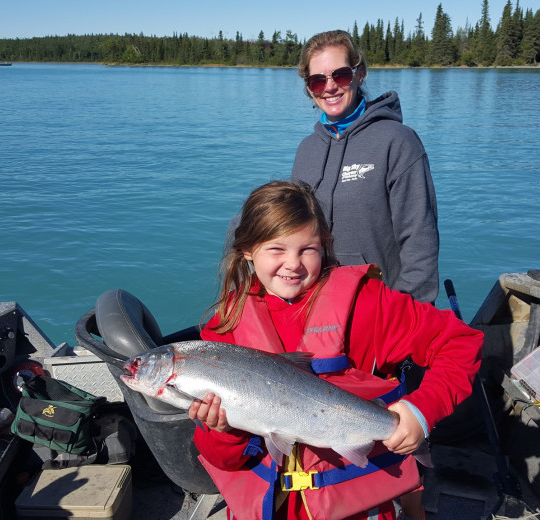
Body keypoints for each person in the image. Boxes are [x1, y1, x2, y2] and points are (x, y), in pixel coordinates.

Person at [189, 181, 482, 520]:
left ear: (324, 246)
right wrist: (221, 431)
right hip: (269, 507)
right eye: (276, 250)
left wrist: (421, 410)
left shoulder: (368, 304)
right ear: (248, 251)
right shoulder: (225, 328)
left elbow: (461, 341)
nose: (293, 264)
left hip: (356, 504)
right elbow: (224, 460)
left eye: (307, 249)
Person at [291, 30, 440, 305]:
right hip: (318, 308)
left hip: (381, 309)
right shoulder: (306, 150)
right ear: (309, 88)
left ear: (360, 75)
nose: (330, 87)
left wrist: (410, 313)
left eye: (341, 75)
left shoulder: (397, 140)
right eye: (317, 80)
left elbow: (419, 239)